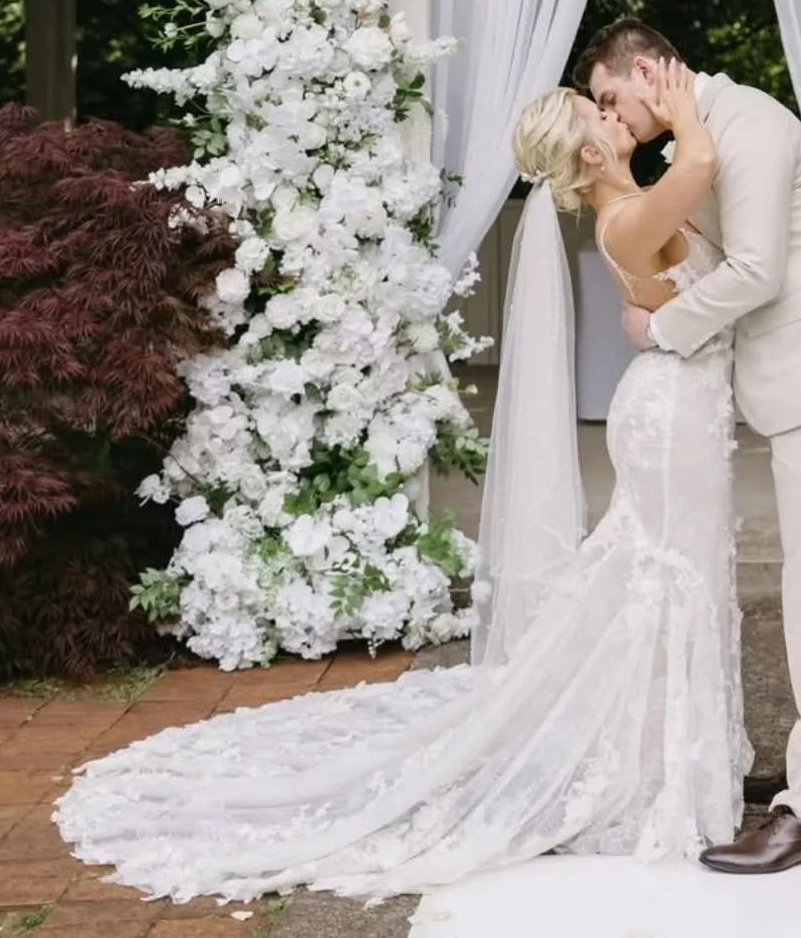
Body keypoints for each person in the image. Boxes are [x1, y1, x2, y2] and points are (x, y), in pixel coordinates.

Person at [54, 63, 751, 903]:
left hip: (686, 407)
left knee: (672, 574)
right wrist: (684, 105)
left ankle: (664, 755)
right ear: (591, 157)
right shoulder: (628, 217)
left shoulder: (635, 202)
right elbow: (703, 167)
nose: (611, 112)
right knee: (668, 576)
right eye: (594, 111)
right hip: (671, 417)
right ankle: (653, 770)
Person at [578, 20, 801, 876]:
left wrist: (661, 328)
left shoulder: (751, 124)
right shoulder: (703, 135)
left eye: (611, 96)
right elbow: (722, 253)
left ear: (650, 70)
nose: (608, 113)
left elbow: (759, 270)